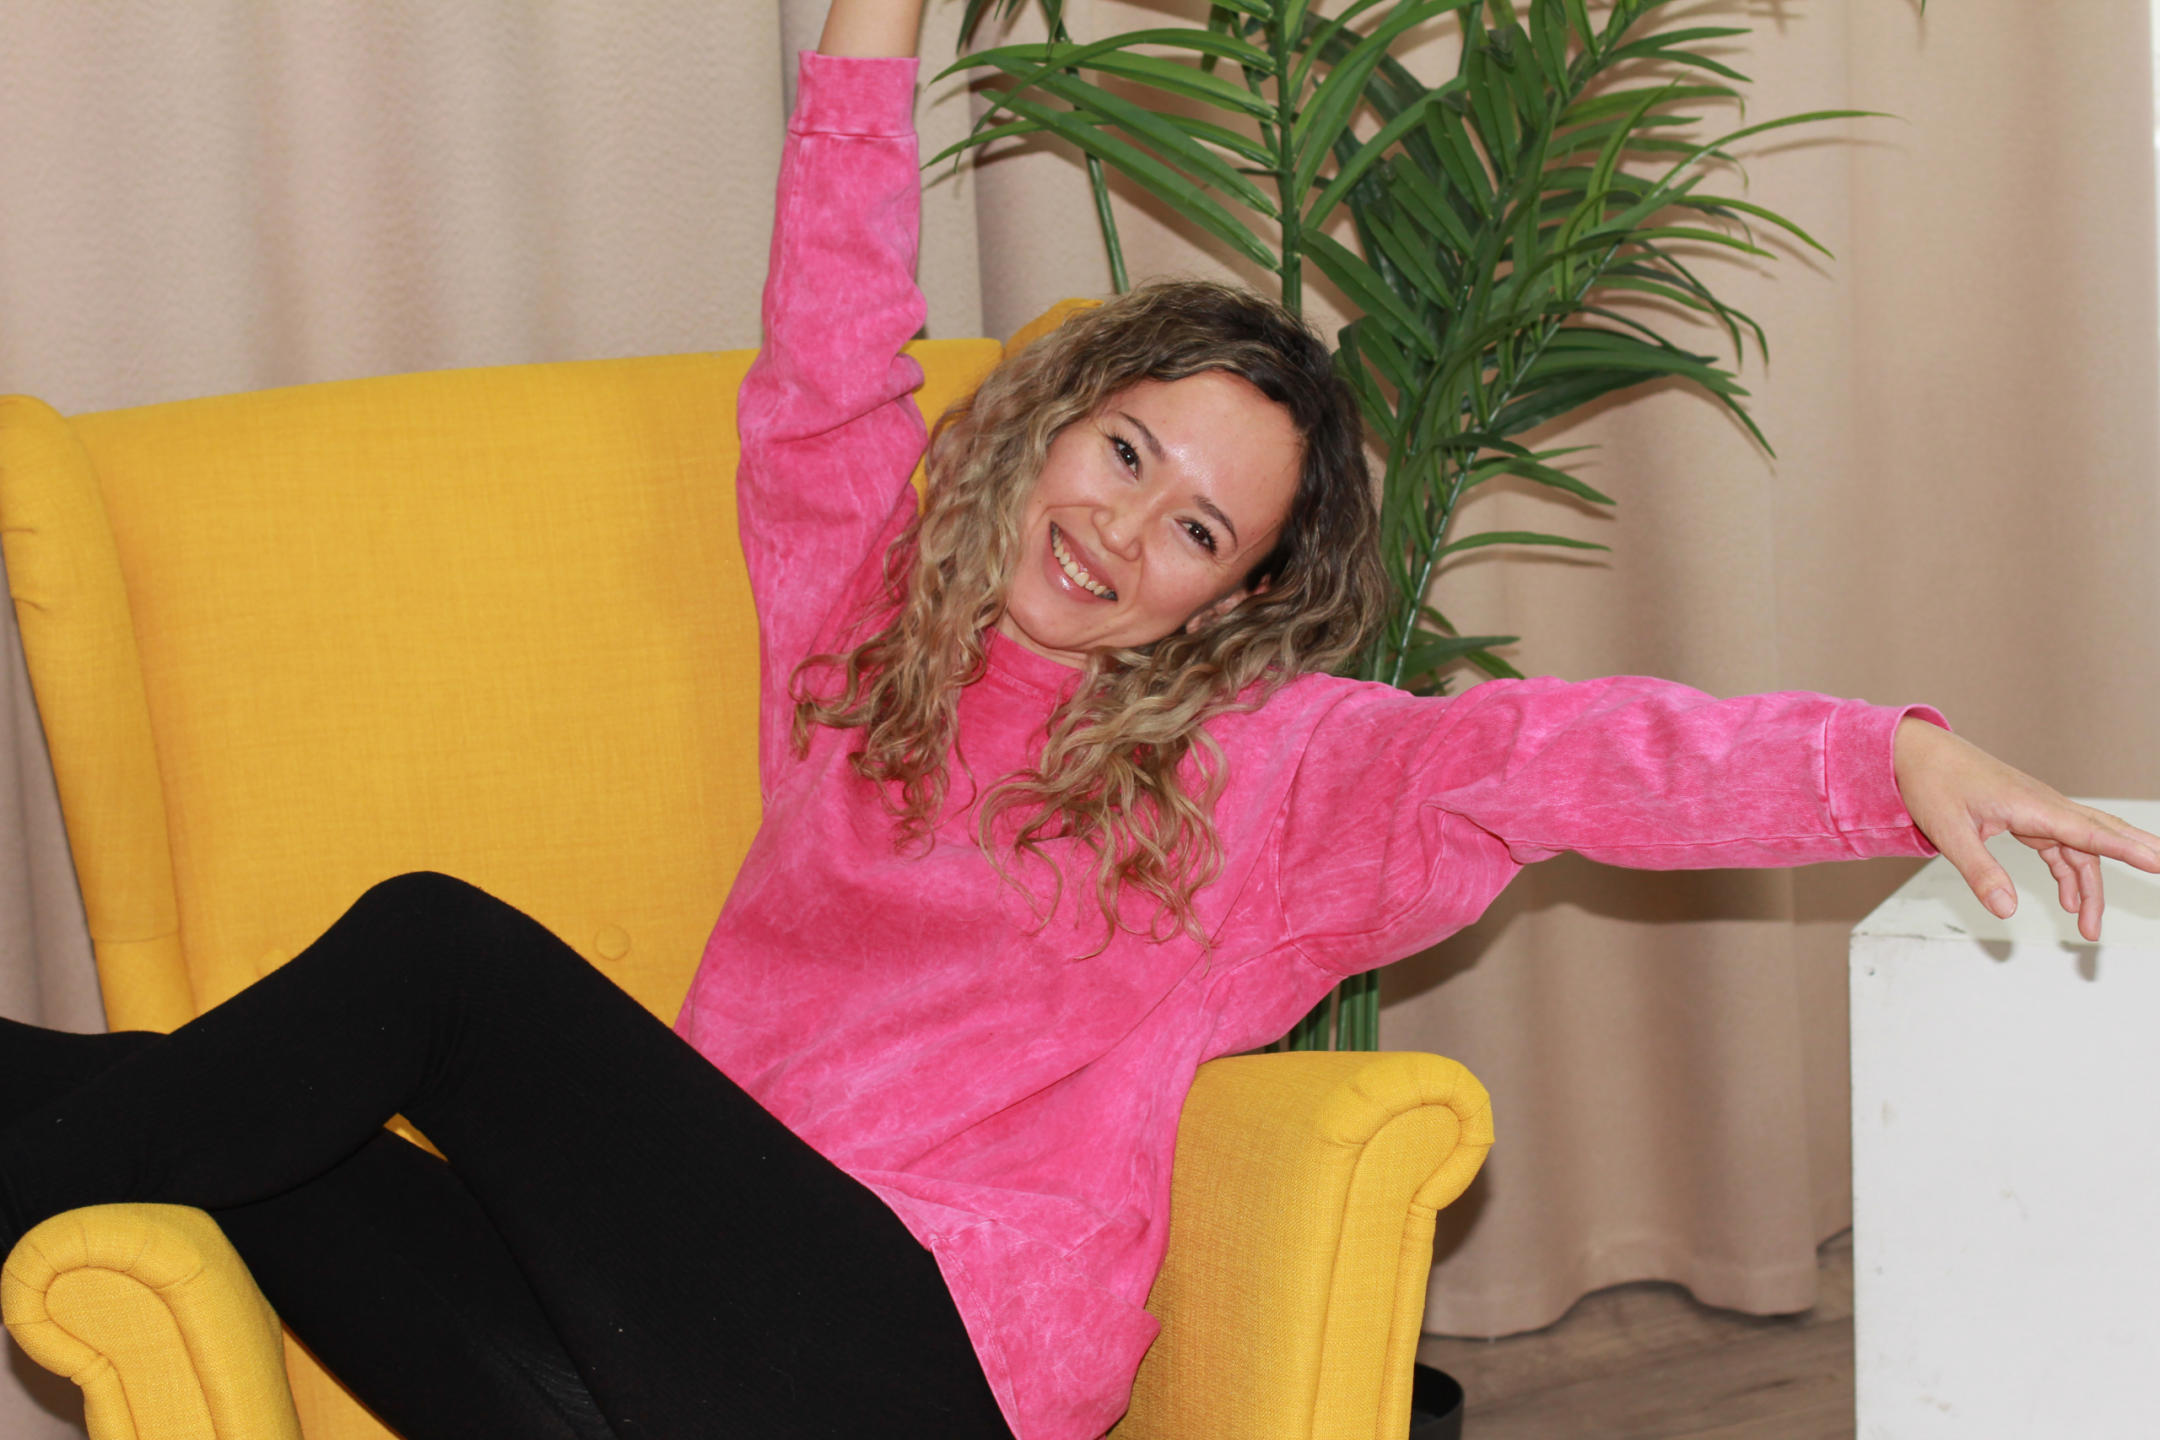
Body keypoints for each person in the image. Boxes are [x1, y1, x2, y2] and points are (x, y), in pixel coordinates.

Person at [3, 2, 2155, 1438]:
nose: (1126, 533)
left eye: (1198, 529)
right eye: (1125, 453)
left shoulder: (1263, 781)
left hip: (910, 1361)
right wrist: (873, 21)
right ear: (1049, 423)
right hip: (670, 1349)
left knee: (435, 953)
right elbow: (831, 347)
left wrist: (1883, 758)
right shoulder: (865, 617)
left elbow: (1552, 757)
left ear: (1240, 596)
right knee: (198, 1128)